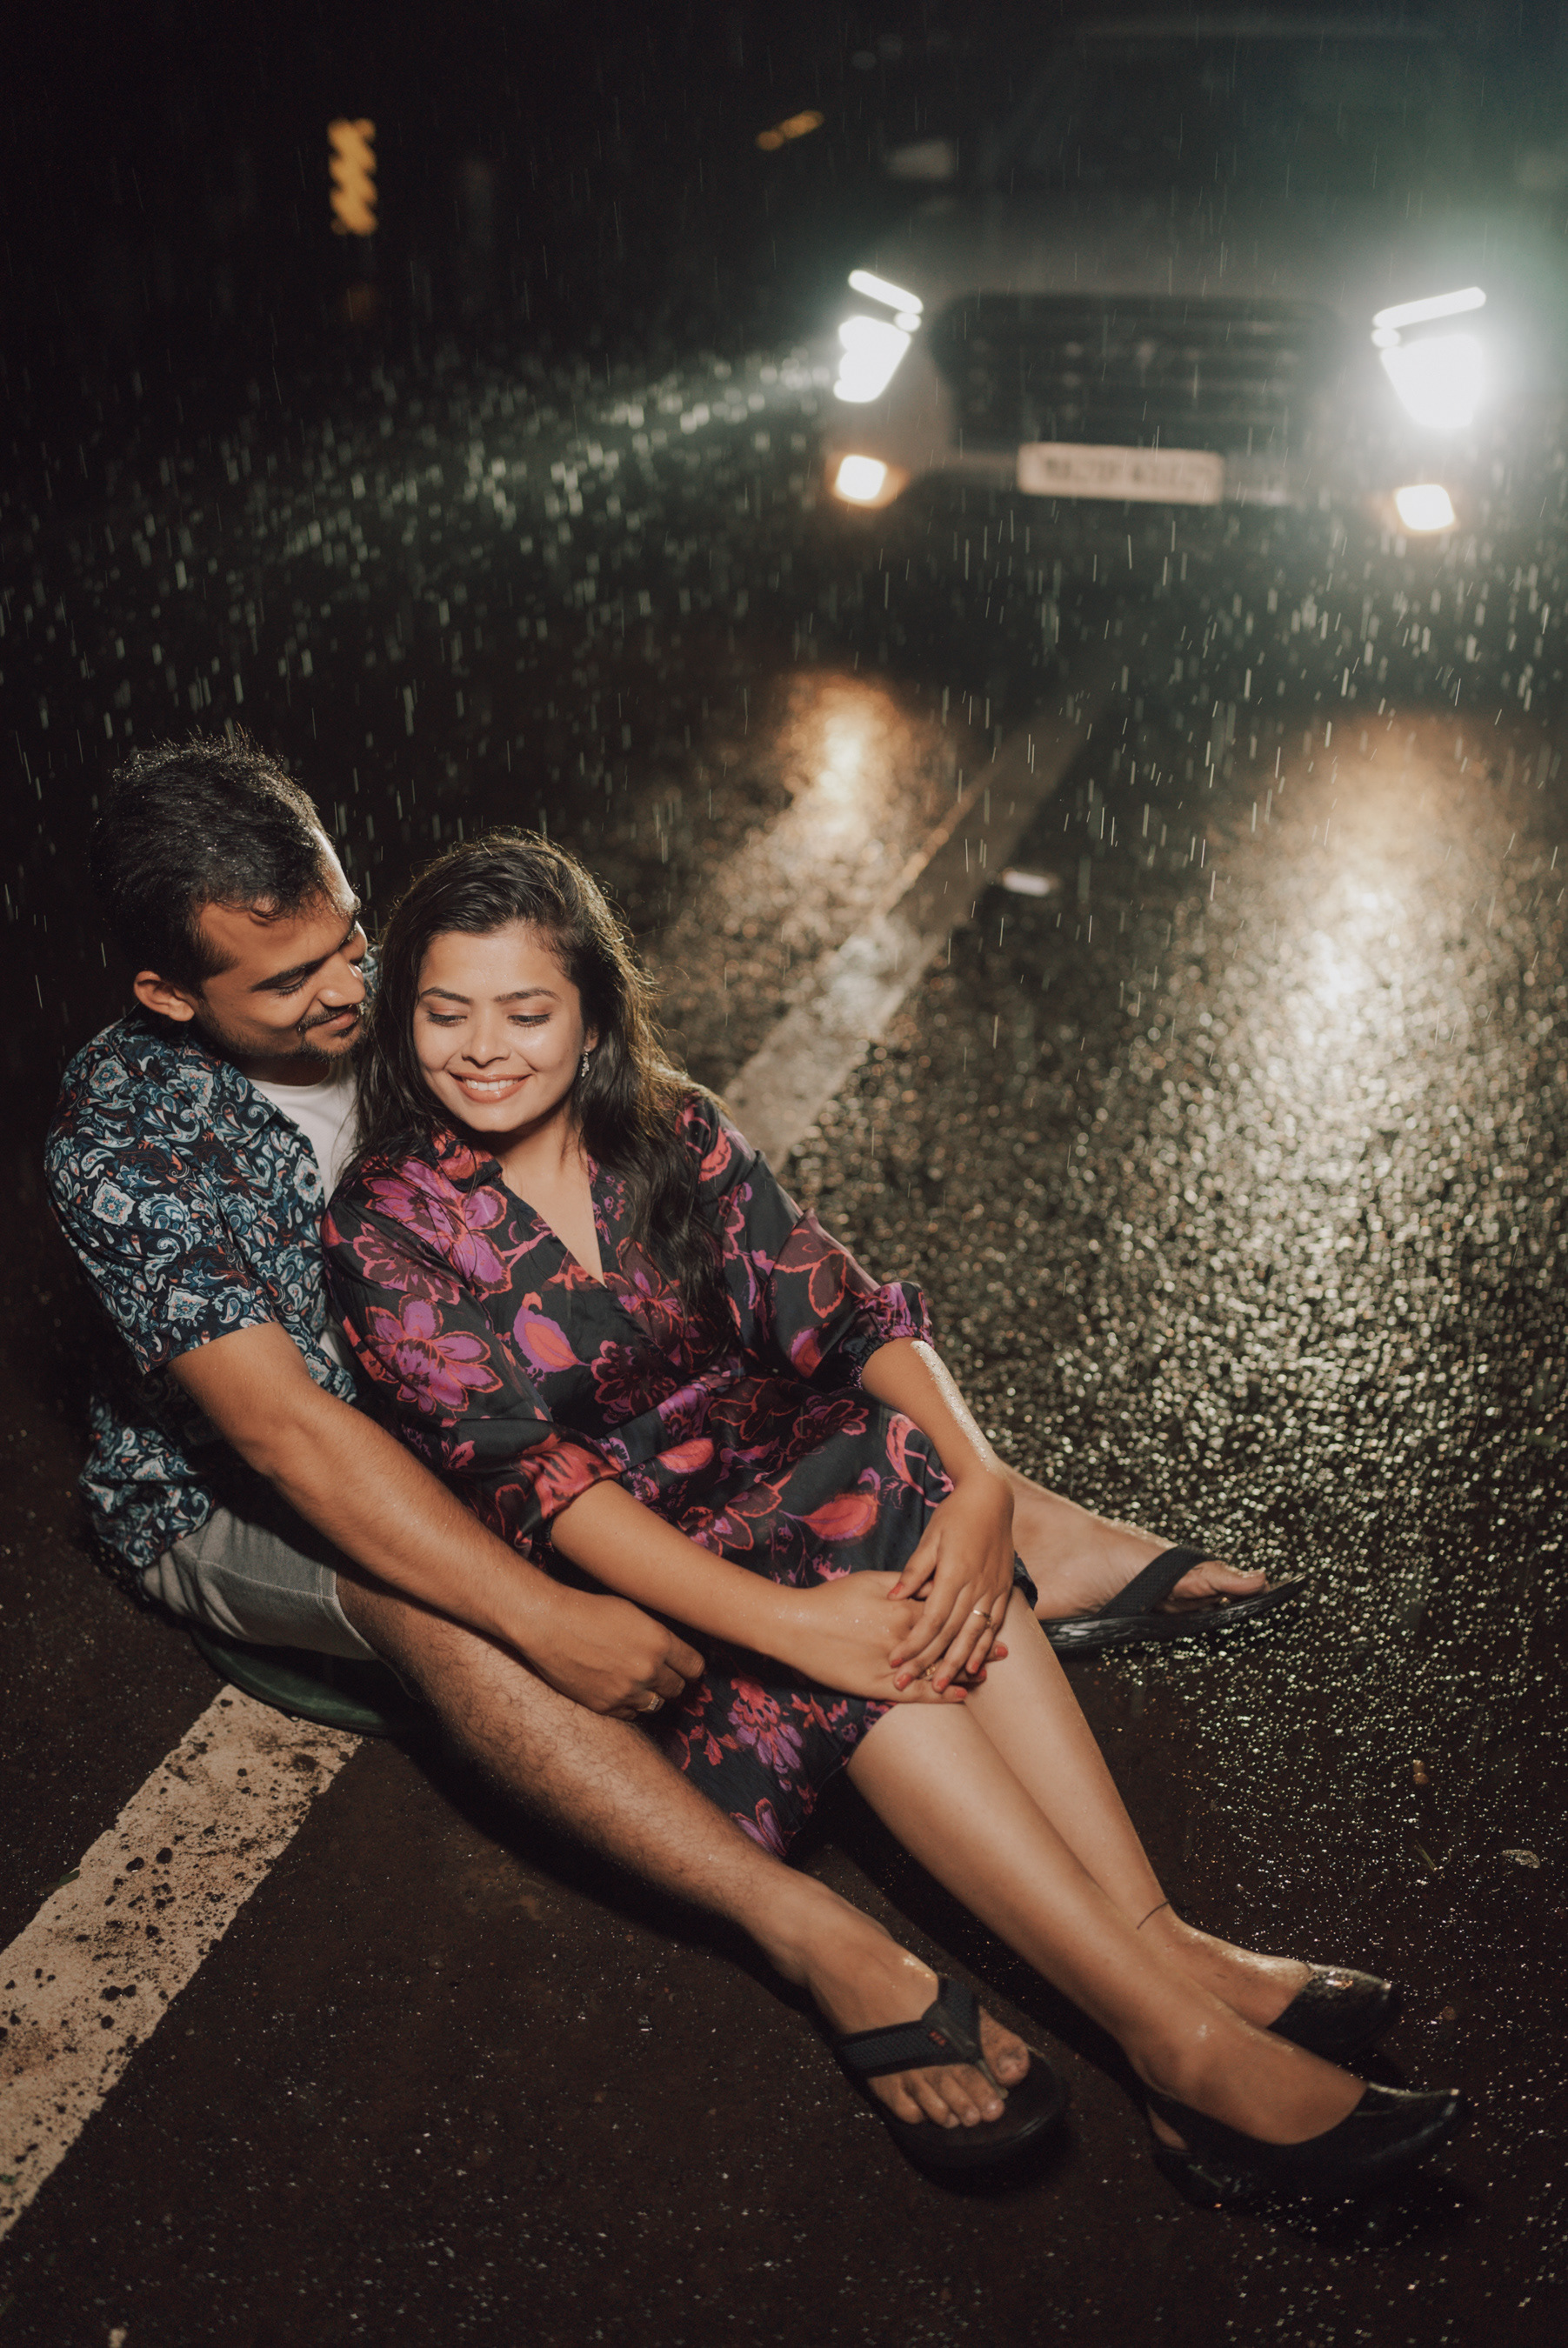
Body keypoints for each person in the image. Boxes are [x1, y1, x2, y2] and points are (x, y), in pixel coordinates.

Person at [321, 830, 1466, 2198]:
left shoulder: (672, 1129)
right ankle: (1177, 2048)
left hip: (793, 1491)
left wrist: (986, 1485)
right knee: (854, 1598)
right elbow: (543, 1487)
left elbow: (848, 1311)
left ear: (591, 1014)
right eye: (445, 1012)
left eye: (526, 1010)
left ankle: (1158, 1941)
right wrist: (792, 1626)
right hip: (647, 1582)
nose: (483, 1049)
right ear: (404, 1019)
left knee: (892, 1469)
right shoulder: (386, 1222)